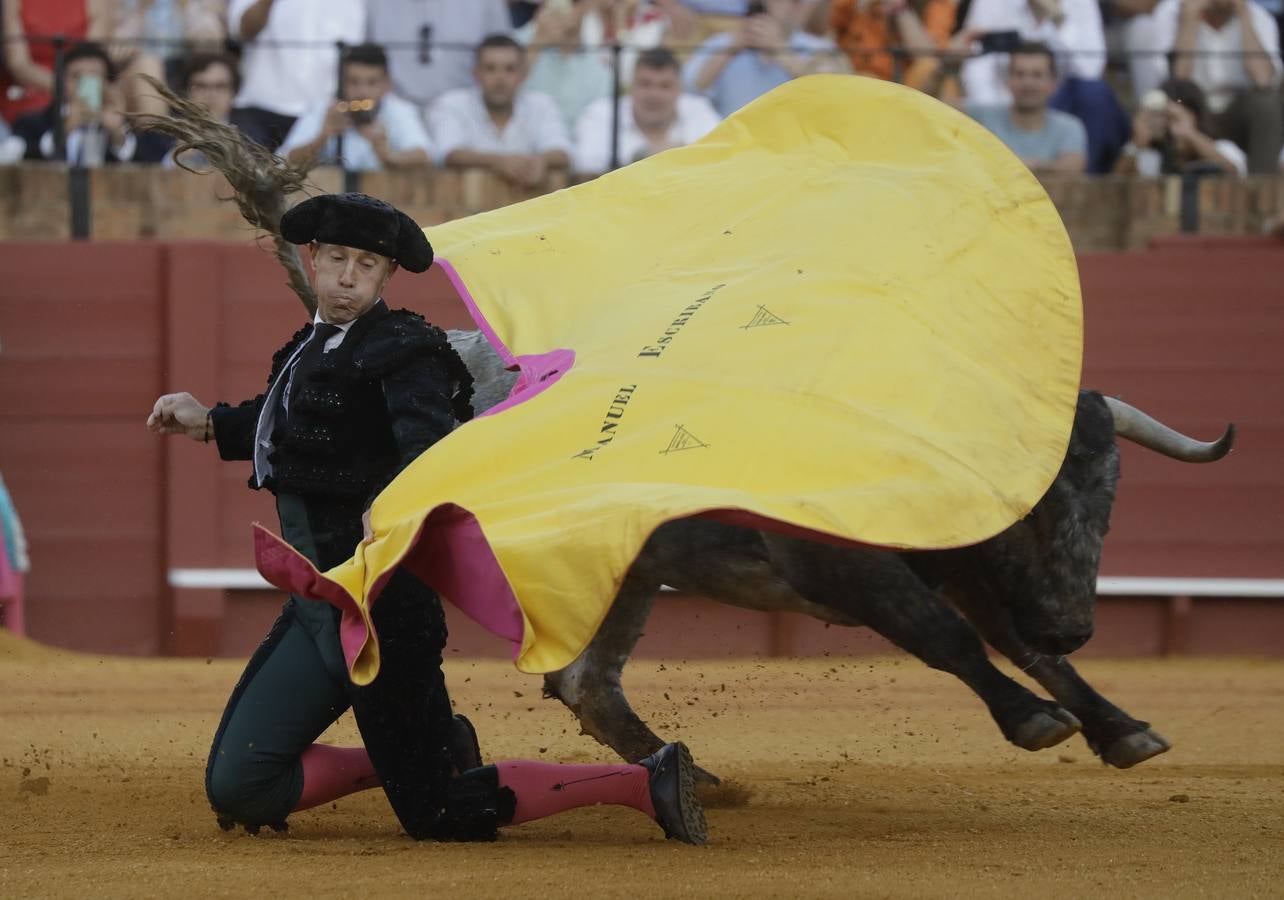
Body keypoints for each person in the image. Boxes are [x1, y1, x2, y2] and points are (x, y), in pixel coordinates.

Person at [145, 192, 708, 844]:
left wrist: (391, 509)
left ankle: (644, 782)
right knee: (239, 786)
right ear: (312, 261)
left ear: (386, 275)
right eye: (336, 259)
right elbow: (290, 428)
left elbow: (433, 454)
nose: (349, 275)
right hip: (319, 607)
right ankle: (433, 748)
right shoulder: (312, 345)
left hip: (382, 614)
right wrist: (207, 421)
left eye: (365, 263)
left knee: (439, 813)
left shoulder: (406, 349)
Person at [958, 0, 1130, 172]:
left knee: (1095, 94)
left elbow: (1090, 69)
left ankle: (1089, 183)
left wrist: (1059, 19)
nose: (1028, 82)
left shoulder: (1082, 3)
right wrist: (998, 117)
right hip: (1003, 102)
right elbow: (976, 69)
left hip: (1061, 100)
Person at [1150, 0, 1283, 174]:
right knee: (1175, 101)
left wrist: (1244, 16)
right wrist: (1189, 20)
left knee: (1266, 103)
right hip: (1193, 110)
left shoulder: (1259, 16)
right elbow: (1177, 81)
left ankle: (1261, 188)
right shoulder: (1170, 12)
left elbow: (1263, 79)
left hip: (1238, 114)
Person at [428, 35, 572, 188]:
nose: (500, 78)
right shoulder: (452, 104)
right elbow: (450, 155)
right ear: (476, 74)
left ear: (523, 75)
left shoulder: (542, 105)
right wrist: (500, 162)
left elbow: (562, 153)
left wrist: (542, 161)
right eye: (490, 68)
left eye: (509, 69)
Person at [226, 0, 367, 151]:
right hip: (258, 109)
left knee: (319, 174)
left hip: (321, 115)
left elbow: (355, 57)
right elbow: (242, 31)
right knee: (245, 173)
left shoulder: (354, 4)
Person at [279, 43, 434, 172]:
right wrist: (322, 137)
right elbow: (285, 161)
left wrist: (387, 156)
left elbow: (424, 158)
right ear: (341, 83)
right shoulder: (324, 110)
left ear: (386, 84)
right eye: (353, 82)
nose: (362, 92)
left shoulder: (399, 111)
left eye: (372, 82)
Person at [11, 41, 166, 164]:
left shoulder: (126, 127)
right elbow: (18, 160)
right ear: (61, 82)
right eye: (76, 77)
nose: (85, 84)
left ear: (107, 83)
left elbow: (152, 165)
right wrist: (63, 131)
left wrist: (116, 135)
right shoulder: (32, 124)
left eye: (95, 76)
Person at [573, 47, 722, 173]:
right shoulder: (601, 112)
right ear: (630, 88)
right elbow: (586, 165)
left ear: (679, 90)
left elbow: (719, 158)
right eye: (645, 84)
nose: (654, 95)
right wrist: (647, 155)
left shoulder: (699, 109)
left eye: (665, 86)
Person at [682, 0, 841, 118]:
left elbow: (833, 88)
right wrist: (732, 48)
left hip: (796, 147)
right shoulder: (723, 43)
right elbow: (690, 86)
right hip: (733, 147)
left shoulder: (817, 47)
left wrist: (779, 48)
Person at [366, 0, 513, 112]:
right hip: (392, 114)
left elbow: (504, 56)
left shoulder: (487, 4)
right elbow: (363, 63)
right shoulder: (373, 4)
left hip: (467, 117)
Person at [966, 41, 1088, 173]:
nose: (1027, 83)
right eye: (1019, 74)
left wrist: (1030, 166)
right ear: (1008, 79)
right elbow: (940, 109)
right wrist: (948, 60)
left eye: (1037, 75)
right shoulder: (981, 115)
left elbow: (1073, 167)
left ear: (1054, 83)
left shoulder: (1069, 126)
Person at [1114, 78, 1247, 175]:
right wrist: (1136, 143)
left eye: (1175, 118)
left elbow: (1233, 173)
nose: (1170, 127)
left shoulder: (1224, 148)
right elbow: (1113, 188)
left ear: (1195, 116)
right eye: (1166, 118)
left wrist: (1190, 134)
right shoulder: (1153, 159)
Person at [829, 0, 960, 88]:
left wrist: (900, 10)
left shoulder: (938, 5)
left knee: (934, 71)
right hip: (853, 79)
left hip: (906, 89)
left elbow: (927, 58)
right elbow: (819, 30)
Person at [163, 51, 240, 169]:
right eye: (200, 86)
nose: (211, 94)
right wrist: (178, 159)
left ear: (234, 92)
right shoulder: (164, 134)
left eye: (220, 86)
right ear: (185, 92)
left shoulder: (256, 134)